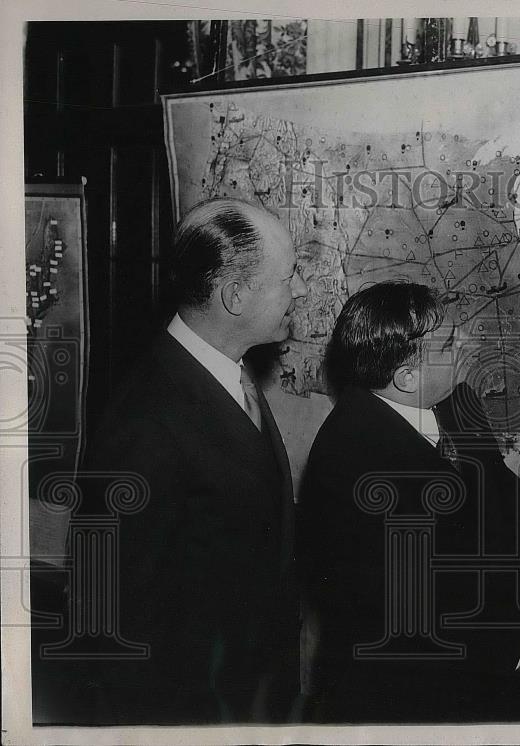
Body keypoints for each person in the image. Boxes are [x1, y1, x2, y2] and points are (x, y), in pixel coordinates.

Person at [78, 198, 308, 723]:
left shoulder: (225, 373)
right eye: (286, 278)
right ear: (234, 296)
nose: (297, 292)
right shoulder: (145, 423)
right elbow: (114, 626)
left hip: (251, 702)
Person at [297, 281, 520, 723]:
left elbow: (505, 494)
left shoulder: (455, 400)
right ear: (407, 377)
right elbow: (410, 610)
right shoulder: (352, 461)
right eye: (448, 342)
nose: (464, 342)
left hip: (483, 689)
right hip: (410, 704)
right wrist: (517, 651)